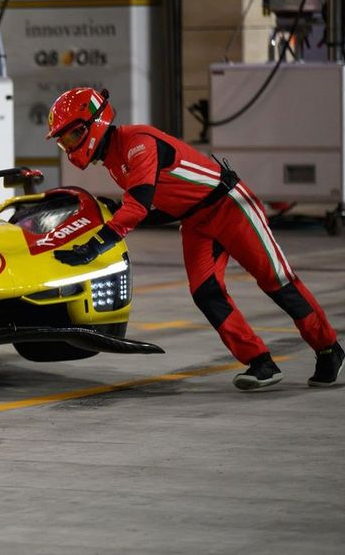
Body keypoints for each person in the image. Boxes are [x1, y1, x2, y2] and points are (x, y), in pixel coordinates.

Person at [46, 87, 343, 390]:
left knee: (276, 280)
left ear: (95, 122)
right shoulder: (114, 159)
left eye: (73, 135)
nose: (70, 145)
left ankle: (328, 349)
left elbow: (138, 207)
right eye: (63, 141)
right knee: (205, 292)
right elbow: (159, 205)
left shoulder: (138, 143)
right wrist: (118, 214)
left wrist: (95, 246)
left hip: (230, 206)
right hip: (196, 220)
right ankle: (260, 362)